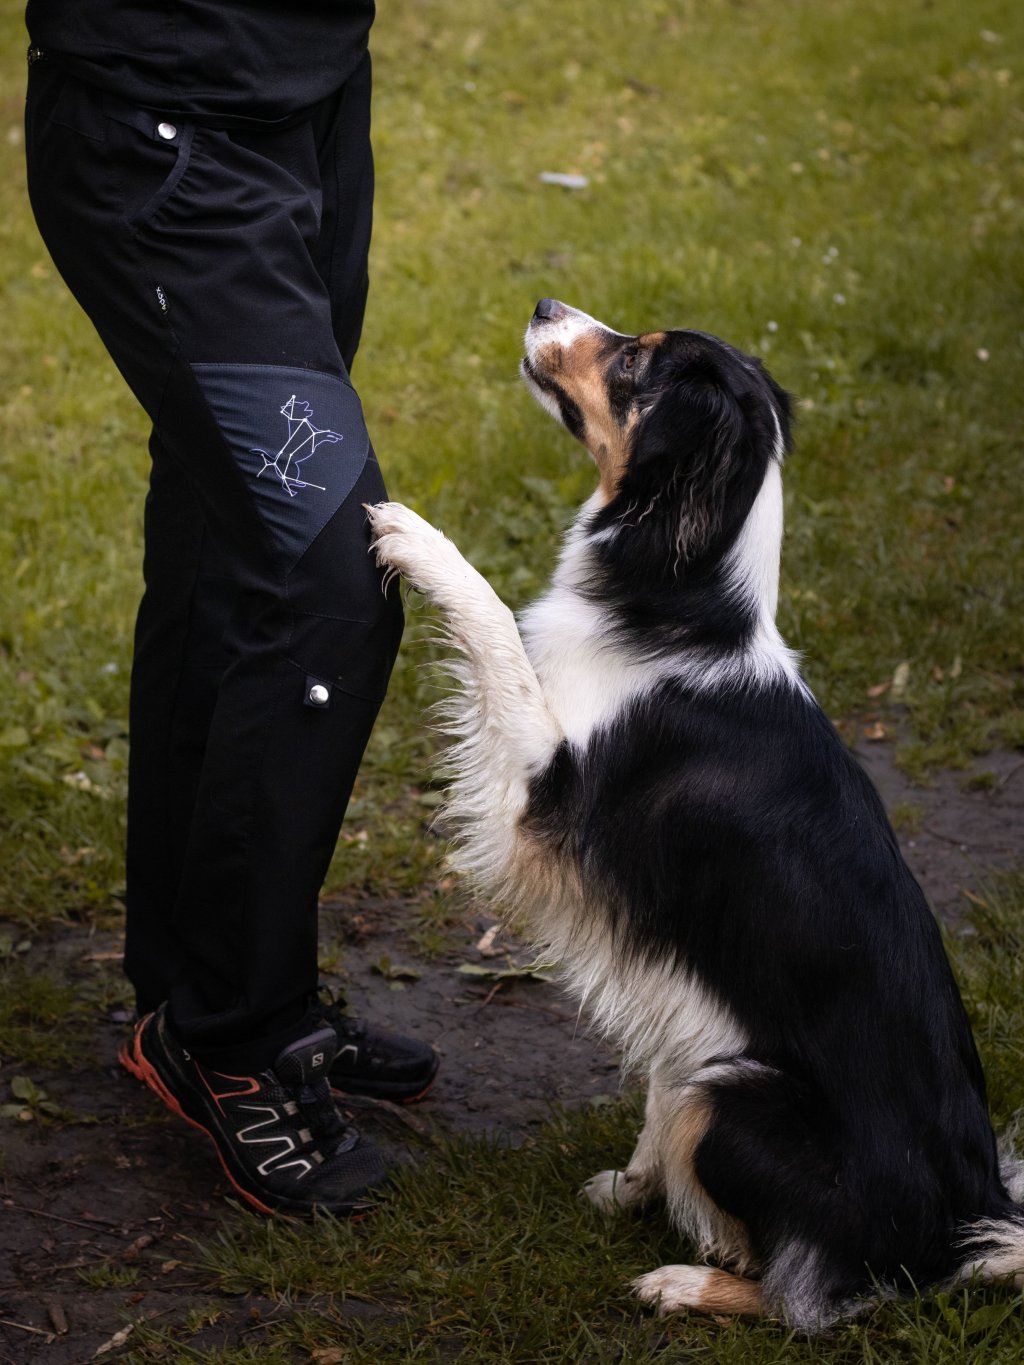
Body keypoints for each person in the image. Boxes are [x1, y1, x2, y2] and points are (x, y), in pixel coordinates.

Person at [23, 0, 437, 1217]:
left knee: (228, 543)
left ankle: (194, 990)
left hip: (310, 99)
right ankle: (237, 1036)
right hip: (166, 138)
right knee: (327, 586)